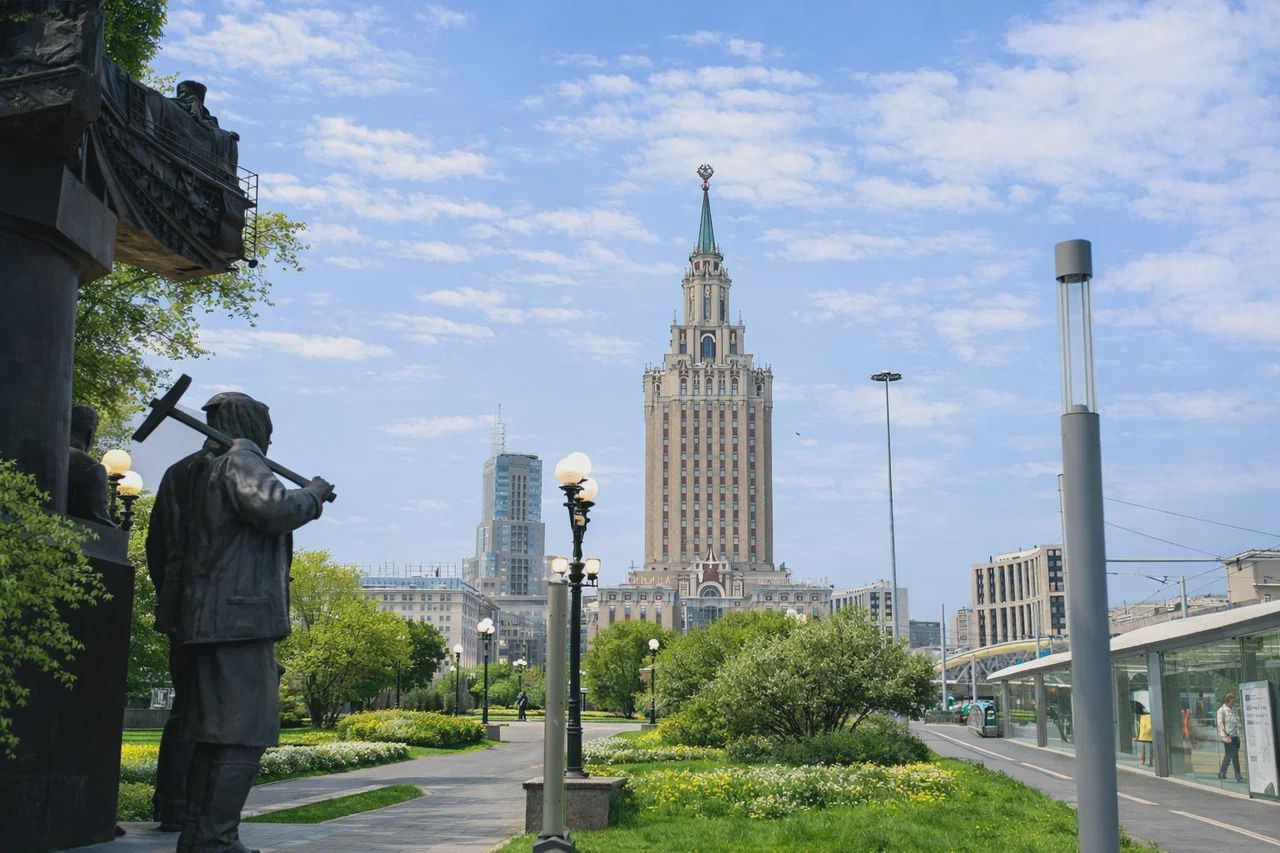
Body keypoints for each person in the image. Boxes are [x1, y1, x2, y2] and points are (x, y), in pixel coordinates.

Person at [161, 392, 333, 851]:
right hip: (239, 621)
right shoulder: (241, 460)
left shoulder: (188, 474)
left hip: (200, 621)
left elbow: (166, 549)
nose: (270, 439)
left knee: (211, 734)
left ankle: (200, 838)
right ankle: (217, 840)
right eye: (267, 429)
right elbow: (275, 510)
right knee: (243, 734)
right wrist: (312, 495)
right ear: (250, 425)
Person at [1217, 692, 1244, 782]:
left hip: (1235, 736)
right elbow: (1220, 724)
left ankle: (1222, 773)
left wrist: (1240, 725)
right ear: (1228, 701)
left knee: (1229, 755)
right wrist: (1224, 735)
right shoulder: (1222, 710)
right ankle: (1238, 775)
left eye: (1234, 701)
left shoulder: (1234, 710)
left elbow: (1238, 721)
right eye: (1232, 701)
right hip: (1228, 736)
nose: (1233, 703)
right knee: (1234, 755)